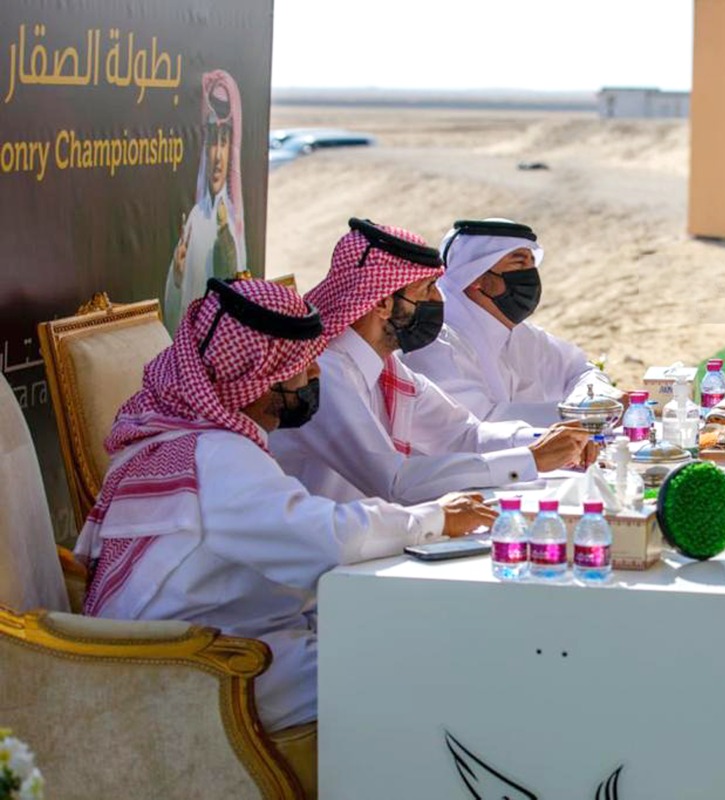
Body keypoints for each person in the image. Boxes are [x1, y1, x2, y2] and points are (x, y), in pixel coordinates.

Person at [75, 277, 496, 738]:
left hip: (220, 647)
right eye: (299, 365)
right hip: (209, 671)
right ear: (252, 378)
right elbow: (324, 540)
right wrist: (435, 519)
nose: (316, 376)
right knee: (426, 673)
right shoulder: (215, 455)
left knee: (414, 643)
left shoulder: (176, 439)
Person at [271, 218, 595, 505]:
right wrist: (530, 459)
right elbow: (394, 481)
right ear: (384, 303)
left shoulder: (384, 366)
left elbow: (463, 434)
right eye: (426, 290)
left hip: (372, 541)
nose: (438, 300)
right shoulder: (325, 370)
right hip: (318, 559)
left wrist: (550, 441)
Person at [403, 219, 620, 427]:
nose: (530, 275)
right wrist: (578, 414)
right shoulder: (437, 341)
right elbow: (478, 425)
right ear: (476, 277)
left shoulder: (520, 334)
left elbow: (580, 370)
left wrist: (594, 401)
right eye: (519, 263)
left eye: (532, 264)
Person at [163, 69, 247, 333]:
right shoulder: (196, 218)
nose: (218, 156)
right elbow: (174, 313)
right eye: (213, 141)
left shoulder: (232, 222)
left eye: (224, 141)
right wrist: (177, 274)